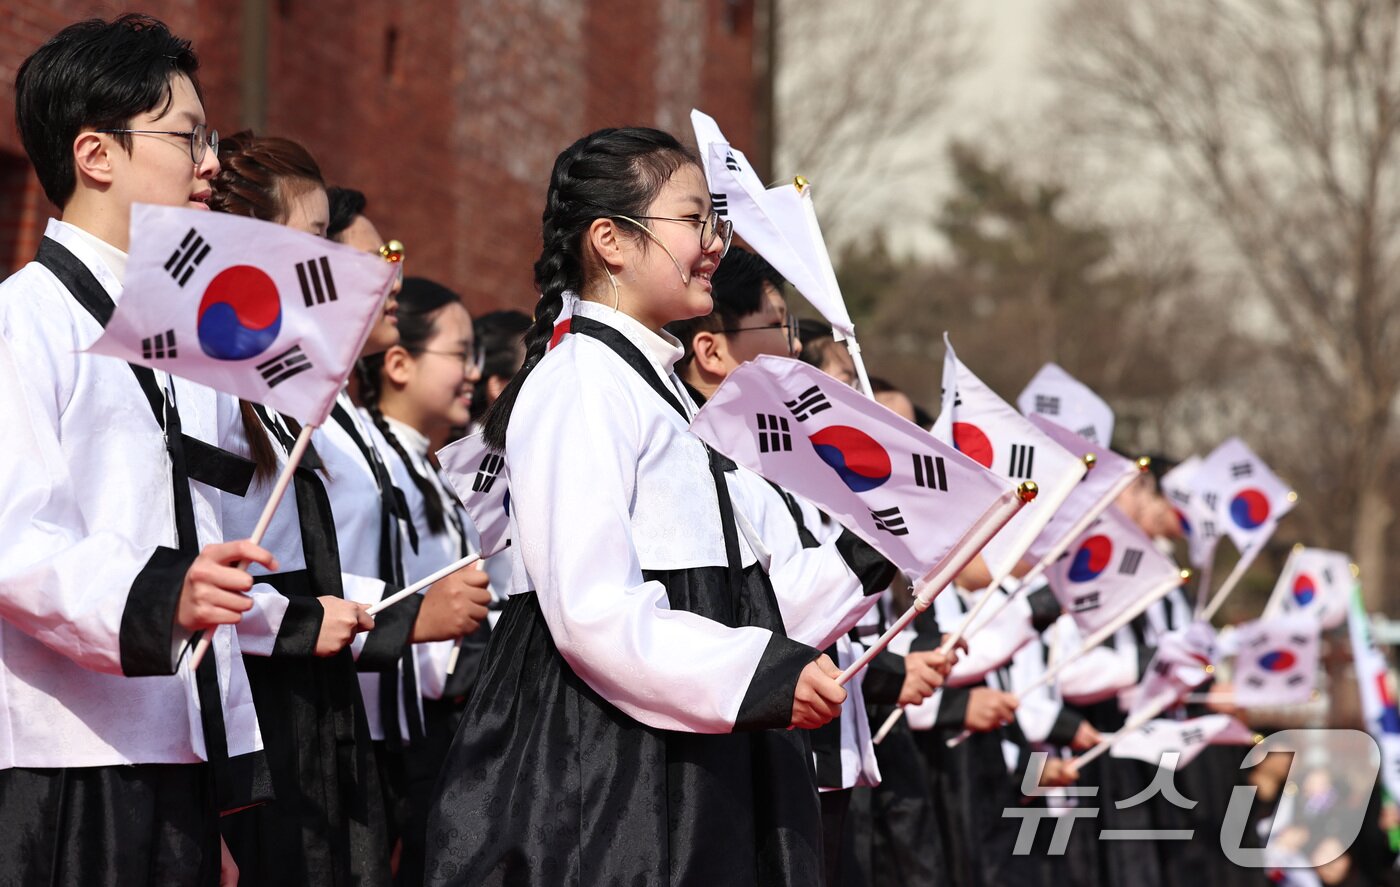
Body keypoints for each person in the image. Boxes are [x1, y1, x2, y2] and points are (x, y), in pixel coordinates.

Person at [426, 127, 847, 886]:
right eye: (696, 221)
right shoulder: (581, 381)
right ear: (611, 241)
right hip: (615, 779)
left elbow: (740, 595)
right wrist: (757, 670)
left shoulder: (660, 389)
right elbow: (593, 610)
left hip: (683, 761)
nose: (716, 244)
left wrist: (877, 556)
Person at [0, 15, 277, 884]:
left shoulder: (179, 333)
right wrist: (166, 592)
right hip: (64, 758)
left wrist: (218, 780)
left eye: (211, 137)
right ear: (96, 154)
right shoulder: (23, 319)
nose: (209, 162)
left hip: (178, 748)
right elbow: (15, 544)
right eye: (188, 136)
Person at [207, 131, 392, 886]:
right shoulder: (209, 377)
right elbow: (195, 558)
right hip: (255, 702)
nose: (337, 266)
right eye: (317, 238)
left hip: (314, 696)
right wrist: (299, 619)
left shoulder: (277, 386)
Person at [324, 187, 491, 871]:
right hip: (349, 726)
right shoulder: (326, 431)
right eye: (377, 257)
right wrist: (418, 617)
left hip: (399, 731)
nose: (393, 274)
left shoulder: (367, 436)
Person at [358, 275, 493, 886]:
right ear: (398, 363)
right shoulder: (360, 458)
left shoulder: (429, 464)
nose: (472, 372)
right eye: (460, 353)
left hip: (423, 716)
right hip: (377, 719)